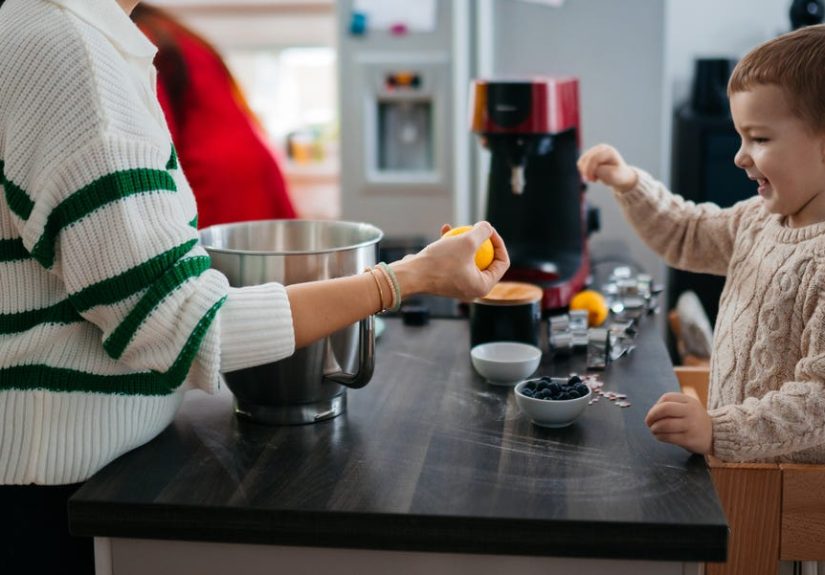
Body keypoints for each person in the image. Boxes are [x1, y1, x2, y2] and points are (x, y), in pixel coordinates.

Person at [0, 0, 509, 573]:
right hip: (61, 498)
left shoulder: (77, 36)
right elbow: (184, 325)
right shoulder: (71, 52)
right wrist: (407, 278)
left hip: (82, 473)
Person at [578, 24, 825, 464]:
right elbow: (686, 233)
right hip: (735, 468)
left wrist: (719, 429)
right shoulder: (757, 220)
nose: (740, 155)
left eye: (760, 138)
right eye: (740, 136)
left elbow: (818, 400)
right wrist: (630, 184)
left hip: (786, 499)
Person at [130, 3, 298, 227]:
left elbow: (157, 140)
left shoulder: (140, 39)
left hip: (215, 182)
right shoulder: (173, 31)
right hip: (254, 167)